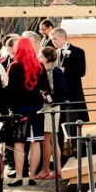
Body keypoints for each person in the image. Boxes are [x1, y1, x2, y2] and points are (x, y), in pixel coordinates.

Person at [5, 37, 51, 186]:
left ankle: (19, 177)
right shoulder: (39, 65)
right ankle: (32, 176)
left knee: (19, 143)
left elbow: (10, 90)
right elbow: (45, 86)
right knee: (35, 142)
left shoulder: (14, 66)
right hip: (36, 107)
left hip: (19, 108)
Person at [36, 46, 66, 180]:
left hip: (52, 108)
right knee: (52, 139)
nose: (38, 58)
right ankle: (57, 169)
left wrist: (47, 98)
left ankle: (45, 169)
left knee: (46, 139)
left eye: (40, 56)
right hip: (49, 107)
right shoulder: (46, 70)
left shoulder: (55, 71)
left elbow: (62, 91)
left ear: (47, 58)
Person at [51, 28, 90, 123]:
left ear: (63, 37)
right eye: (52, 39)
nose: (53, 41)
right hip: (60, 96)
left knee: (74, 123)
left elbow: (81, 72)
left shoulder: (78, 52)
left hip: (73, 94)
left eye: (55, 38)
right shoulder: (55, 54)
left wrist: (65, 70)